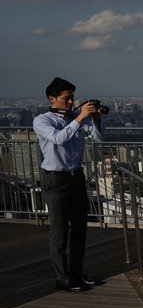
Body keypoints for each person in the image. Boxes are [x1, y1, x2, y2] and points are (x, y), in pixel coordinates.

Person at [33, 77, 104, 292]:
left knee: (80, 229)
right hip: (55, 179)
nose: (71, 102)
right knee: (60, 231)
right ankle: (63, 277)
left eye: (72, 98)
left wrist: (96, 120)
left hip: (76, 176)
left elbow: (99, 140)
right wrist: (80, 118)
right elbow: (58, 138)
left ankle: (76, 273)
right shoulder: (42, 120)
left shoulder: (76, 118)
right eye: (67, 98)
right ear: (52, 99)